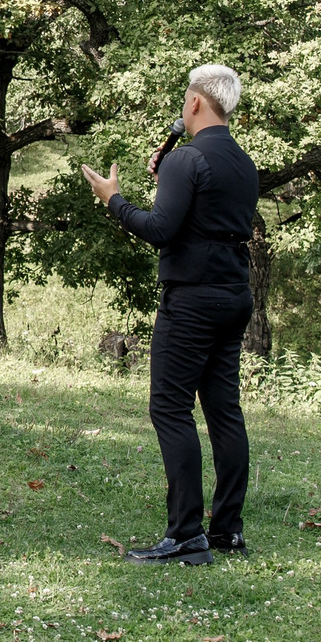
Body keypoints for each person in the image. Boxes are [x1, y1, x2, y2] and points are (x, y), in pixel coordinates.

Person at [81, 62, 259, 566]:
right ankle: (227, 531)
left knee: (170, 409)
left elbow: (160, 230)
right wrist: (171, 181)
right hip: (234, 296)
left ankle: (185, 534)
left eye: (186, 98)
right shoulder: (243, 163)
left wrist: (113, 199)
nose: (183, 106)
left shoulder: (188, 159)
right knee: (224, 410)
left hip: (192, 300)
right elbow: (200, 217)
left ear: (198, 102)